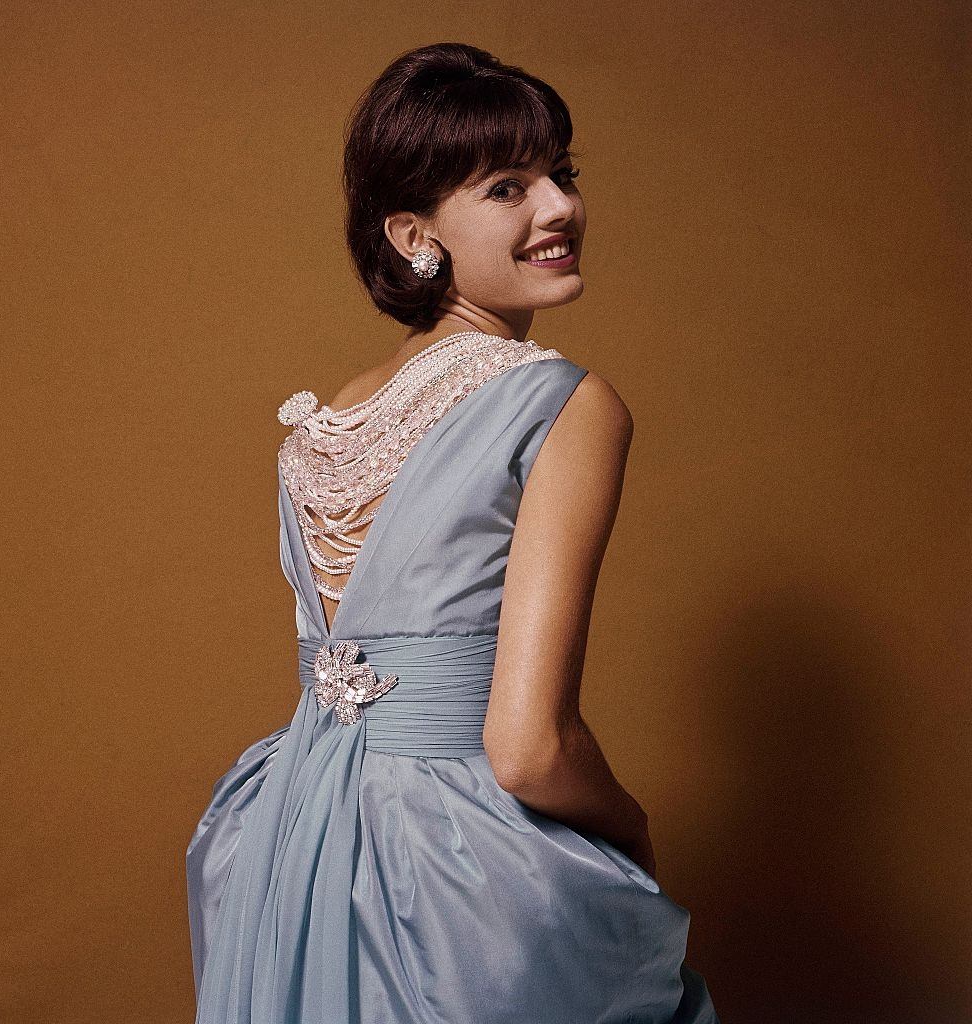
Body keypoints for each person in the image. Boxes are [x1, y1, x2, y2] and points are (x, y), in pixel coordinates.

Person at [186, 41, 721, 1024]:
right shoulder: (561, 402)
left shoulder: (323, 426)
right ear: (412, 234)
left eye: (560, 173)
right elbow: (527, 748)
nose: (558, 207)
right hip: (458, 875)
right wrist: (631, 828)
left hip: (288, 838)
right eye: (508, 187)